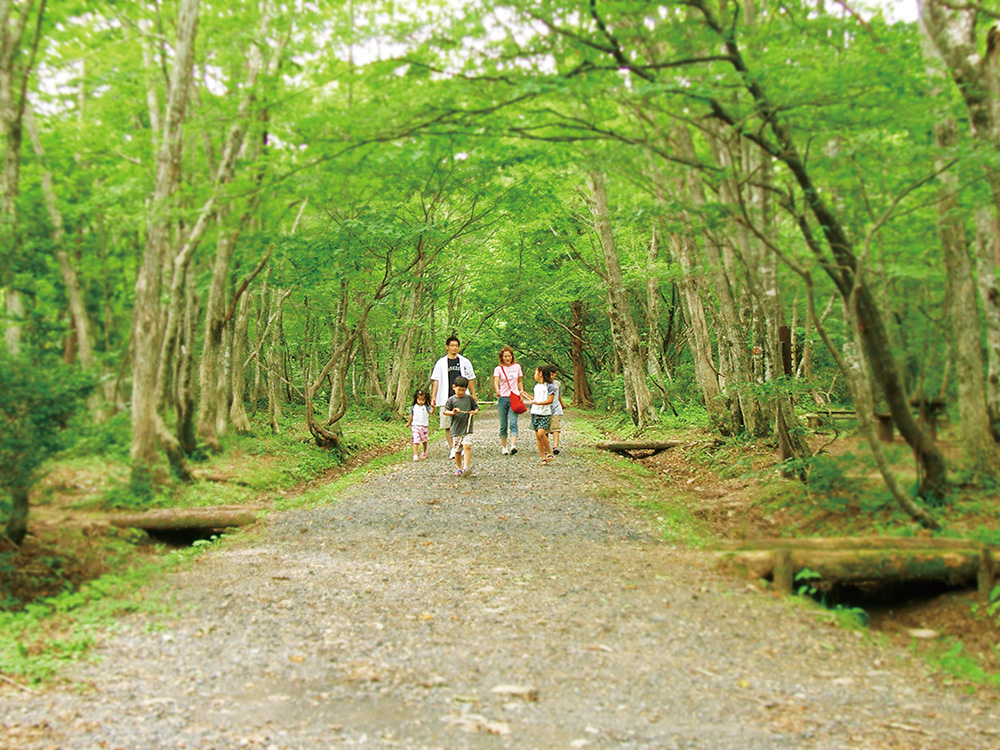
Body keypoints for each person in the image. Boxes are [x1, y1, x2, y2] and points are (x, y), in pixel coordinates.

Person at [430, 336, 477, 458]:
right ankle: (453, 448)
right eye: (452, 345)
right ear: (447, 347)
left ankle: (461, 446)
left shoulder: (465, 362)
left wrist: (473, 394)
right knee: (447, 424)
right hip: (445, 397)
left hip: (462, 398)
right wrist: (433, 397)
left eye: (456, 346)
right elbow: (436, 380)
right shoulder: (440, 363)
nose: (454, 348)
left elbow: (470, 378)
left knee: (462, 423)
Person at [442, 376, 479, 476]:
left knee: (467, 446)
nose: (461, 392)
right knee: (457, 450)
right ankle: (459, 468)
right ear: (454, 387)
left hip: (467, 428)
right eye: (459, 390)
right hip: (456, 429)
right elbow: (445, 411)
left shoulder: (469, 399)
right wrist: (452, 412)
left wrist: (473, 412)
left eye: (463, 390)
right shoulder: (451, 400)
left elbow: (476, 408)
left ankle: (466, 467)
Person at [492, 347, 524, 455]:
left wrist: (521, 391)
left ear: (512, 356)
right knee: (503, 424)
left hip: (514, 397)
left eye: (509, 356)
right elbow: (496, 381)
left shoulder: (517, 367)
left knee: (513, 422)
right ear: (502, 357)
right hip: (503, 398)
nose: (507, 358)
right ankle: (504, 446)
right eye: (505, 356)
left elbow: (519, 381)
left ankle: (513, 445)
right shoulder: (498, 369)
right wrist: (497, 390)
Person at [522, 365, 555, 465]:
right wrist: (527, 396)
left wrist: (538, 403)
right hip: (535, 413)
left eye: (535, 372)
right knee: (538, 436)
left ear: (541, 373)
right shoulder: (536, 386)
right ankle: (543, 457)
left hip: (545, 414)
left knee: (541, 433)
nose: (534, 375)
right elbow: (536, 399)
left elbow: (550, 400)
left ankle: (549, 452)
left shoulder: (549, 386)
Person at [405, 389, 432, 461]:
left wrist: (433, 405)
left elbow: (431, 411)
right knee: (416, 440)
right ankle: (415, 454)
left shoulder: (426, 407)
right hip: (415, 426)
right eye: (419, 400)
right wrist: (408, 422)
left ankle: (424, 451)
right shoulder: (414, 407)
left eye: (422, 400)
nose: (421, 401)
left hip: (424, 426)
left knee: (424, 440)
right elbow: (411, 415)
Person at [548, 364, 566, 454]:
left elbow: (558, 395)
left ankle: (555, 446)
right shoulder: (544, 384)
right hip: (546, 410)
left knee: (556, 428)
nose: (551, 377)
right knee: (545, 429)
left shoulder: (557, 384)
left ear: (556, 374)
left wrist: (562, 404)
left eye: (552, 374)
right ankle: (545, 446)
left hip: (556, 408)